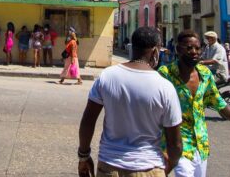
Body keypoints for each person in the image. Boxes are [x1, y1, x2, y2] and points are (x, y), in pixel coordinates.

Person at [78, 27, 183, 176]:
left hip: (109, 166)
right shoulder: (165, 87)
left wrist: (83, 156)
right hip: (149, 167)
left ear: (132, 48)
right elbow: (176, 144)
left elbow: (88, 120)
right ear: (155, 51)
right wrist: (167, 167)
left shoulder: (107, 76)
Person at [158, 30, 230, 177]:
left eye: (197, 48)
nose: (194, 52)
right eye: (189, 48)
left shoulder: (205, 74)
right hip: (177, 144)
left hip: (200, 143)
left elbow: (220, 104)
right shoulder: (165, 74)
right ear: (178, 49)